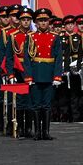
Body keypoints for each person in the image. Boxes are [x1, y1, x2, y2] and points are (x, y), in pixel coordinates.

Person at [21, 8, 64, 141]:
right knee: (36, 105)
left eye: (45, 20)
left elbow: (58, 58)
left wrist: (57, 76)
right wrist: (28, 76)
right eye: (40, 21)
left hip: (49, 74)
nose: (43, 23)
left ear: (49, 22)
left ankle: (46, 132)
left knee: (46, 105)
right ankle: (37, 132)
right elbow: (27, 59)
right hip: (35, 74)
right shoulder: (31, 37)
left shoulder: (55, 37)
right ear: (36, 23)